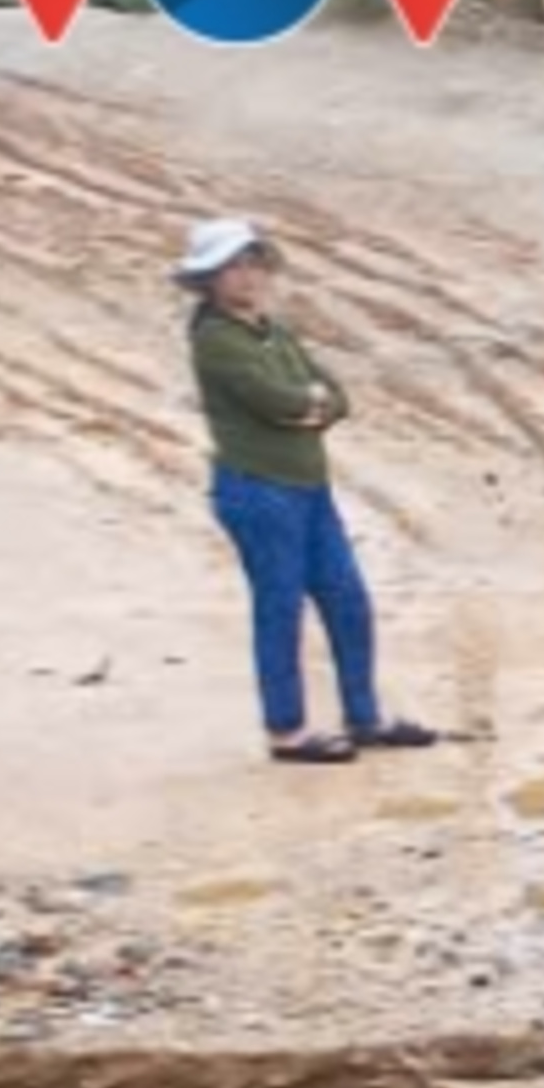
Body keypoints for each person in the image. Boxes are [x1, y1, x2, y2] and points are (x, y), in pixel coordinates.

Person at [175, 216, 435, 765]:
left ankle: (363, 717)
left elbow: (335, 396)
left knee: (347, 599)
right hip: (258, 489)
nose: (247, 275)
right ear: (209, 279)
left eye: (253, 263)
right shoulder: (216, 339)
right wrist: (309, 403)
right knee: (280, 607)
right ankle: (286, 730)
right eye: (232, 267)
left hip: (308, 488)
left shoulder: (270, 330)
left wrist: (310, 404)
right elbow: (280, 401)